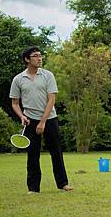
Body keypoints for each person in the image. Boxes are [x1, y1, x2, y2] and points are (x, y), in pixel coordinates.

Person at [10, 47, 73, 194]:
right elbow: (14, 103)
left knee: (56, 152)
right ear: (27, 59)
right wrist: (22, 116)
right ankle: (33, 188)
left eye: (40, 56)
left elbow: (51, 99)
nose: (39, 58)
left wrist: (43, 122)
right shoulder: (18, 79)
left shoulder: (48, 75)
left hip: (49, 119)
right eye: (35, 56)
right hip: (30, 120)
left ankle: (63, 184)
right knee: (33, 155)